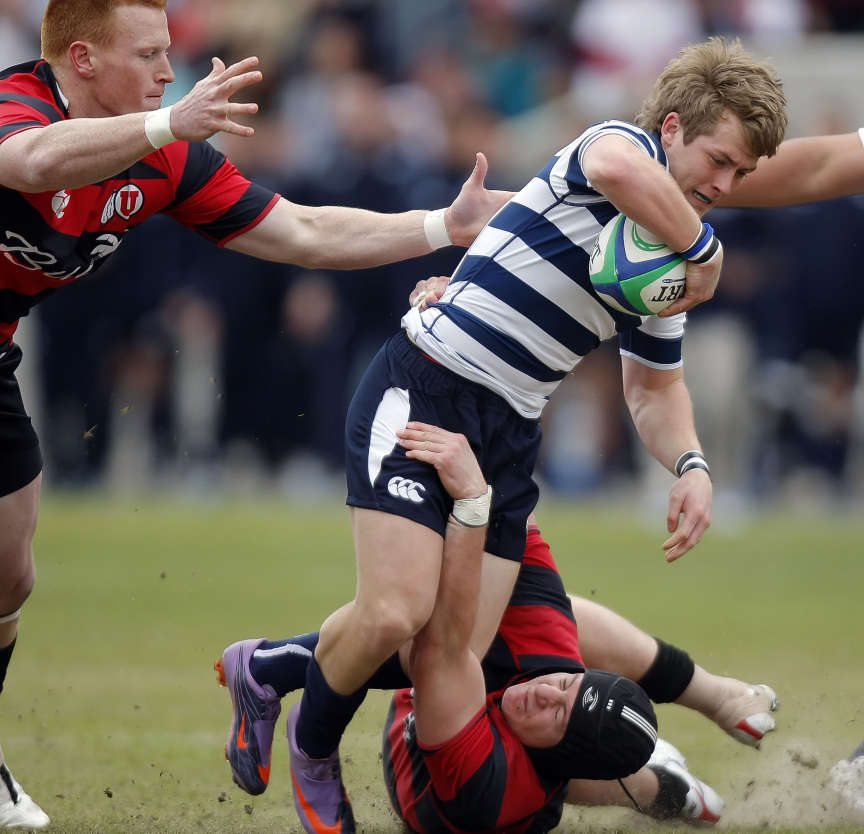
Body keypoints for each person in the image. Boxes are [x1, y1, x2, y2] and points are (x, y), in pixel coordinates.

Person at [0, 1, 513, 827]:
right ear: (83, 60)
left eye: (171, 55)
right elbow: (26, 164)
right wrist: (168, 121)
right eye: (150, 54)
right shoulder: (23, 105)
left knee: (10, 574)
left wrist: (438, 226)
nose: (170, 71)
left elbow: (304, 232)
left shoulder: (161, 158)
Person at [280, 36, 787, 833]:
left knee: (449, 654)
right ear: (675, 127)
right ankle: (309, 746)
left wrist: (690, 464)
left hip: (508, 436)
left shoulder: (662, 269)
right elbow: (624, 175)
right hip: (429, 386)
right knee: (393, 615)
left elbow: (654, 390)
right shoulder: (614, 147)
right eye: (717, 160)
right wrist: (706, 252)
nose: (722, 186)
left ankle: (274, 668)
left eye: (740, 178)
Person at [216, 425, 779, 826]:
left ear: (558, 758)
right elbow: (517, 535)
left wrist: (473, 503)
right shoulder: (552, 678)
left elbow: (445, 645)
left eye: (557, 711)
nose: (542, 694)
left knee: (408, 619)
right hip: (505, 711)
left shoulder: (495, 787)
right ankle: (707, 709)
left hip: (424, 769)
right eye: (564, 685)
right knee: (552, 616)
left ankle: (282, 684)